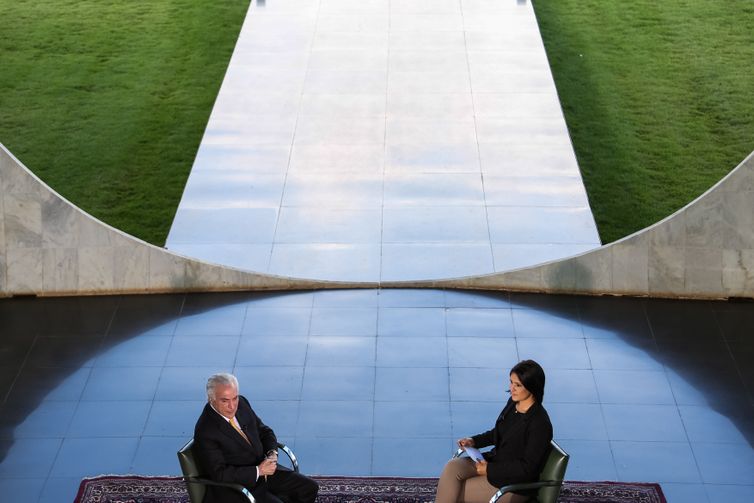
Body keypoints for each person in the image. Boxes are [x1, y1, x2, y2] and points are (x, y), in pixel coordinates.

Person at [435, 360, 553, 503]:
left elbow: (527, 469)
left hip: (513, 485)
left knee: (455, 492)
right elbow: (498, 432)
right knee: (452, 467)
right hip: (494, 463)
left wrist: (490, 470)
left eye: (518, 385)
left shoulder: (540, 424)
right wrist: (474, 441)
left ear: (532, 387)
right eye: (511, 382)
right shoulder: (513, 403)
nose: (512, 388)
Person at [193, 373, 319, 503]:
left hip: (265, 473)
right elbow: (220, 474)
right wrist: (258, 471)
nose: (232, 406)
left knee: (309, 488)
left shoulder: (242, 403)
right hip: (239, 487)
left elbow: (265, 432)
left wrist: (272, 453)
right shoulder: (205, 431)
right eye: (225, 401)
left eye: (234, 398)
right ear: (211, 399)